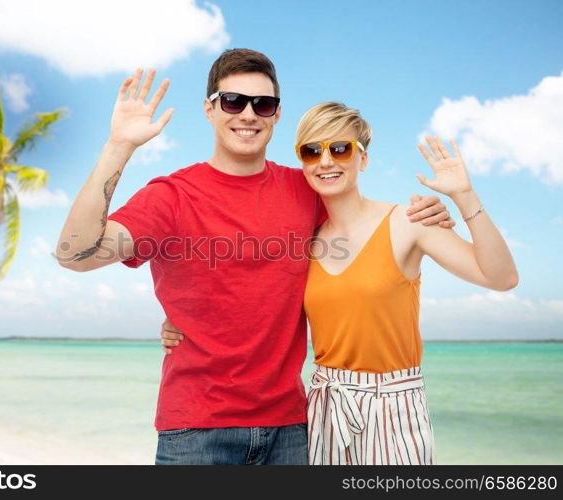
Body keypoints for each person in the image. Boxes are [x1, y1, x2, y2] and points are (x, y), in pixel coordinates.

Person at [56, 49, 451, 465]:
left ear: (276, 115)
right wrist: (118, 147)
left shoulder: (307, 189)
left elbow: (367, 225)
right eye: (232, 101)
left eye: (263, 104)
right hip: (196, 432)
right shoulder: (171, 196)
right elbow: (76, 255)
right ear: (210, 109)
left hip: (292, 430)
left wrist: (424, 214)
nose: (248, 114)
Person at [164, 102, 519, 465]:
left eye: (340, 148)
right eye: (312, 151)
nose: (326, 161)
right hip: (323, 407)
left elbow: (501, 276)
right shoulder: (304, 239)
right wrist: (182, 321)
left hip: (394, 406)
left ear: (362, 159)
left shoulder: (408, 222)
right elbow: (247, 291)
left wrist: (464, 196)